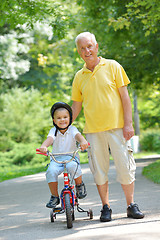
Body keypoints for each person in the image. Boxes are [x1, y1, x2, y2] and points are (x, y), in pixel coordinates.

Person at [71, 32, 144, 222]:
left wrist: (128, 124)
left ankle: (131, 205)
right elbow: (76, 105)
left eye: (89, 46)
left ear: (96, 46)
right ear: (78, 52)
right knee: (99, 171)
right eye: (82, 48)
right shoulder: (79, 76)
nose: (87, 51)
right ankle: (106, 207)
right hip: (93, 132)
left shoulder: (113, 66)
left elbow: (125, 98)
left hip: (118, 128)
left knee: (125, 168)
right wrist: (62, 125)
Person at [39, 102, 88, 208]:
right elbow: (49, 139)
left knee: (73, 166)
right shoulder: (54, 131)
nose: (62, 120)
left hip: (71, 157)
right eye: (59, 118)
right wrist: (44, 146)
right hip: (57, 159)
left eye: (65, 117)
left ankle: (79, 185)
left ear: (70, 118)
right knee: (51, 171)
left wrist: (83, 141)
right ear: (54, 120)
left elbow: (78, 136)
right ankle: (54, 196)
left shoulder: (72, 129)